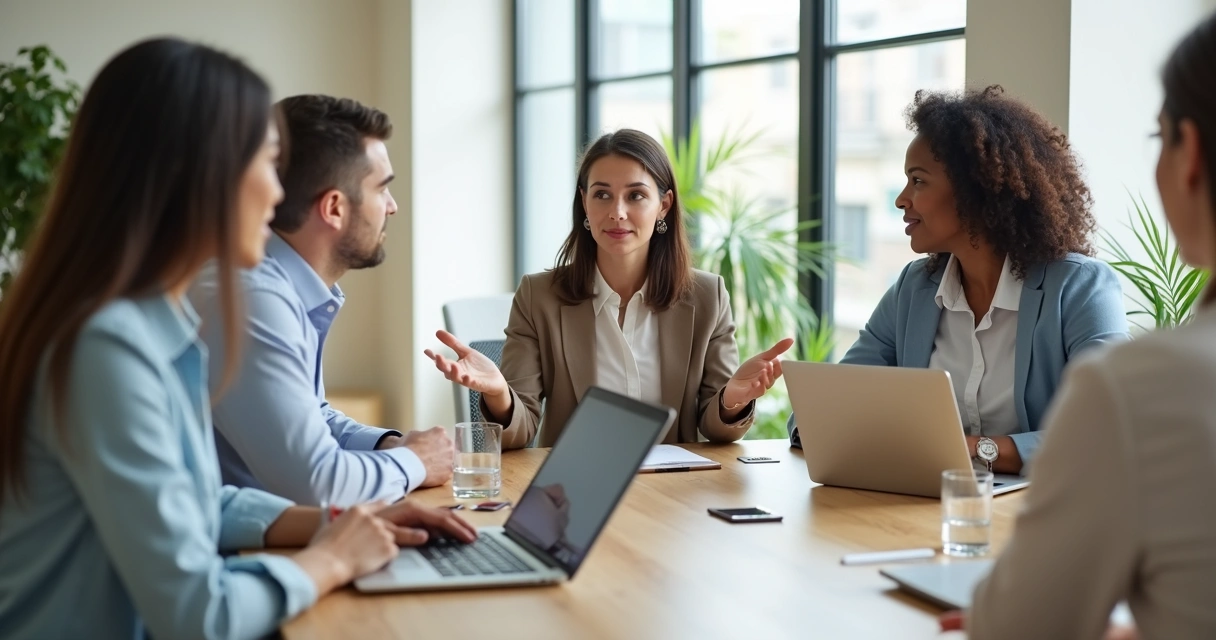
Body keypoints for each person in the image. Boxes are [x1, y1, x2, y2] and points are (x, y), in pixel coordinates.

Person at [0, 39, 475, 640]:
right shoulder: (107, 349)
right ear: (199, 177)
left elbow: (195, 502)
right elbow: (200, 615)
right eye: (265, 164)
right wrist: (331, 559)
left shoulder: (148, 323)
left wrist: (341, 522)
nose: (279, 195)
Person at [959, 11, 1216, 639]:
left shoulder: (1142, 386)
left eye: (1158, 140)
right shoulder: (913, 288)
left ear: (1192, 157)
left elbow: (1016, 628)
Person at [787, 87, 1129, 475]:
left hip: (1041, 511)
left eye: (918, 181)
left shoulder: (1079, 288)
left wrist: (975, 450)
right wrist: (816, 425)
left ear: (976, 191)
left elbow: (1108, 427)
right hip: (929, 504)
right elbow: (826, 404)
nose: (901, 199)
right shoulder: (915, 288)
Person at [425, 129, 793, 449]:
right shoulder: (538, 297)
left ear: (663, 205)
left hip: (674, 497)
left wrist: (732, 399)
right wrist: (499, 394)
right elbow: (519, 432)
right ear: (584, 201)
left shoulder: (707, 296)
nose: (617, 212)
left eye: (636, 196)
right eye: (602, 195)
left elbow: (715, 429)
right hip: (573, 489)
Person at [190, 94, 452, 505]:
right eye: (382, 189)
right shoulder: (254, 299)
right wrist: (416, 462)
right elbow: (319, 483)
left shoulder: (284, 288)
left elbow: (312, 416)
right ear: (333, 208)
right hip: (241, 552)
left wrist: (390, 445)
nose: (393, 207)